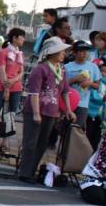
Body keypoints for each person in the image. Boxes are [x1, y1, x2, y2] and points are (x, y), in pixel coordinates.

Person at [18, 37, 75, 182]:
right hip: (35, 110)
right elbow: (34, 92)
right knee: (30, 143)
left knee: (42, 143)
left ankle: (32, 171)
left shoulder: (61, 69)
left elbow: (65, 91)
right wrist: (36, 113)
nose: (64, 54)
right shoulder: (40, 68)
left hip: (52, 112)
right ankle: (25, 173)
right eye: (61, 51)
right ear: (53, 52)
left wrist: (68, 109)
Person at [64, 41, 101, 128]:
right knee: (64, 129)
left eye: (86, 51)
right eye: (81, 51)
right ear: (74, 53)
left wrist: (89, 83)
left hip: (83, 104)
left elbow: (98, 86)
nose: (84, 53)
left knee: (77, 130)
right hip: (67, 103)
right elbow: (61, 85)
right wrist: (75, 80)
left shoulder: (93, 67)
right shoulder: (67, 67)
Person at [86, 58, 106, 149]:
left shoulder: (104, 86)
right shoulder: (90, 83)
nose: (103, 73)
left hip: (99, 115)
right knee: (87, 135)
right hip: (89, 113)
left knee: (96, 137)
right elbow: (93, 97)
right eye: (101, 70)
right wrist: (103, 99)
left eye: (105, 71)